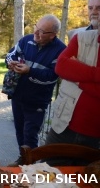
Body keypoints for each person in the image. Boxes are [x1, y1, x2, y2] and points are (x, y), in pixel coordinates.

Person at [5, 15, 66, 166]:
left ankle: (31, 164)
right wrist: (10, 63)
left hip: (37, 99)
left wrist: (29, 71)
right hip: (18, 94)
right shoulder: (26, 40)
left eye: (42, 32)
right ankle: (23, 158)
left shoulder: (61, 50)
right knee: (19, 129)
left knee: (30, 133)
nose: (36, 33)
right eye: (36, 28)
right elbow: (11, 54)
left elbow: (52, 76)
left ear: (53, 35)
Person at [44, 13, 100, 165]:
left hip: (96, 139)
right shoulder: (82, 38)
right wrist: (96, 74)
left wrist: (77, 77)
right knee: (47, 176)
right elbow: (61, 66)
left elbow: (69, 71)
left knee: (87, 181)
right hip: (63, 126)